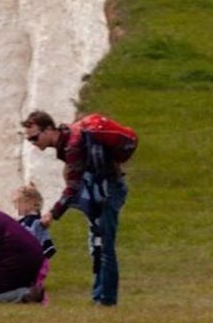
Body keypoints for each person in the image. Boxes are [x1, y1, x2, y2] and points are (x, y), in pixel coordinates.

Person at [22, 110, 132, 306]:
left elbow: (72, 188)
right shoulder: (68, 140)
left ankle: (106, 300)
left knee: (105, 247)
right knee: (97, 246)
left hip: (107, 192)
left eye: (35, 137)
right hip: (102, 191)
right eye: (30, 140)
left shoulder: (72, 146)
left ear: (49, 129)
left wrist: (53, 215)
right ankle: (100, 296)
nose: (33, 143)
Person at [13, 183, 56, 304]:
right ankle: (36, 301)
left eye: (18, 203)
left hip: (38, 261)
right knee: (31, 283)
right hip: (34, 261)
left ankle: (42, 302)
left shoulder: (34, 222)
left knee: (35, 284)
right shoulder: (27, 221)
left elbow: (29, 238)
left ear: (30, 203)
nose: (16, 207)